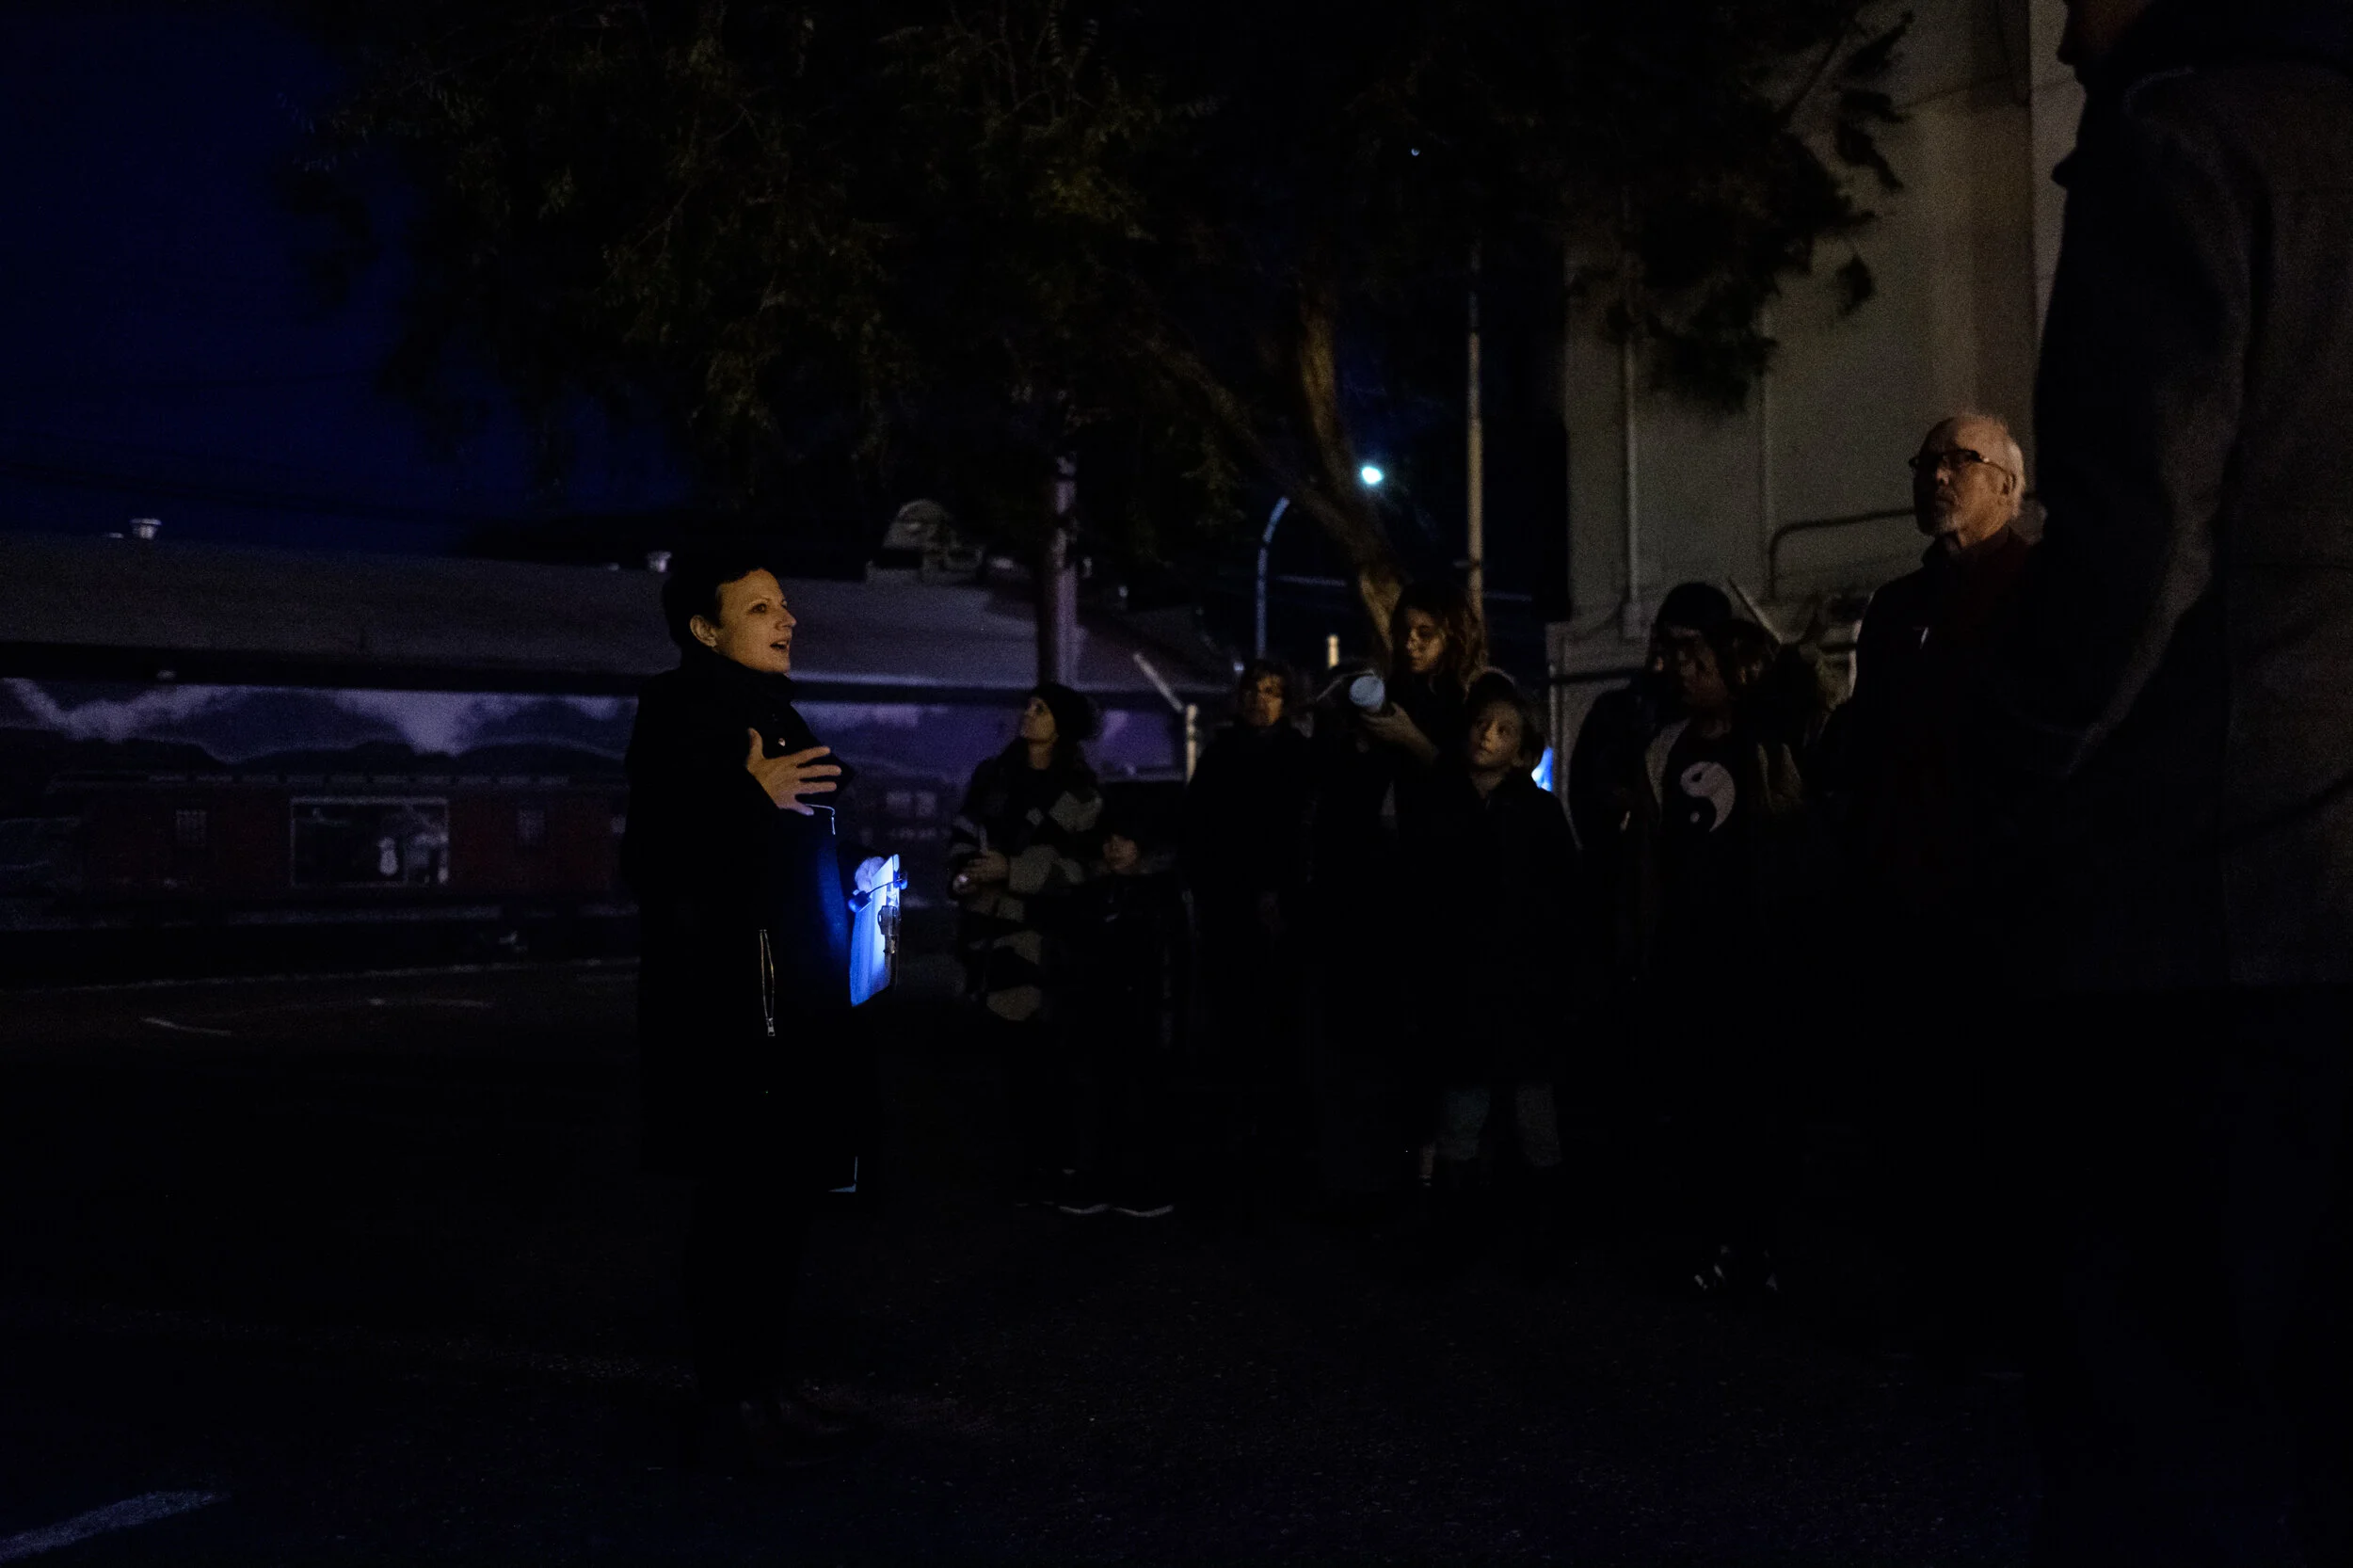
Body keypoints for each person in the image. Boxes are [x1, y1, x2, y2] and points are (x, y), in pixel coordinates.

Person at [1982, 0, 2353, 1558]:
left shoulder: (2187, 147)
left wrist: (2019, 760)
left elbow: (2134, 547)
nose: (2065, 25)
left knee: (2166, 1440)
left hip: (2204, 914)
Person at [621, 549, 890, 1469]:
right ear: (705, 629)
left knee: (781, 1204)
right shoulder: (680, 710)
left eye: (784, 604)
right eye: (760, 608)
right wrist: (748, 794)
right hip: (731, 1014)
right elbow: (651, 861)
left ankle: (765, 1386)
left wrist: (855, 880)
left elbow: (793, 842)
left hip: (797, 1000)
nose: (787, 620)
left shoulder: (773, 711)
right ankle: (730, 1399)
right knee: (738, 1207)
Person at [1826, 413, 2036, 1364]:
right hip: (1900, 896)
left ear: (2008, 487)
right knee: (1911, 1106)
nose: (1939, 476)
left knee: (1994, 1106)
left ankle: (1995, 1305)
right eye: (1928, 461)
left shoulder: (2037, 590)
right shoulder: (1896, 605)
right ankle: (1927, 1295)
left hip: (1995, 898)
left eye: (1961, 461)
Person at [1305, 583, 1486, 1204]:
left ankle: (1431, 1175)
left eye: (1424, 633)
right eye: (1404, 632)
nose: (1410, 644)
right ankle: (1379, 1174)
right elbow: (1341, 797)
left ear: (1451, 636)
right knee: (1371, 1039)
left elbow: (1470, 796)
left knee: (1428, 1040)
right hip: (1370, 893)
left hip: (1434, 897)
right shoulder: (1386, 696)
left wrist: (1413, 743)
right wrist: (1355, 742)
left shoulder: (1465, 704)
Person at [1648, 616, 1808, 1298]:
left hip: (1755, 954)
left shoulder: (1766, 745)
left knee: (1757, 1108)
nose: (1685, 673)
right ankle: (1717, 1241)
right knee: (1702, 1108)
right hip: (1689, 955)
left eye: (1701, 663)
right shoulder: (1667, 747)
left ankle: (1760, 1245)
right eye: (1681, 661)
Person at [1402, 675, 1581, 1279]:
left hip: (1524, 988)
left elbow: (1564, 900)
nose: (1487, 735)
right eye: (1482, 723)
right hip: (1461, 988)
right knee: (1461, 1110)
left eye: (1504, 730)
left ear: (1523, 752)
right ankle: (1456, 1233)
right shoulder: (1440, 806)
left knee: (1534, 1113)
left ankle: (1542, 1236)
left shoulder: (1538, 813)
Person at [946, 684, 1105, 1205]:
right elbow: (963, 831)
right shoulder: (993, 776)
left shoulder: (1078, 793)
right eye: (1029, 705)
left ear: (1062, 725)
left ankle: (1056, 1163)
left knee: (1049, 1055)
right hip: (989, 934)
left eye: (1042, 709)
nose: (1028, 714)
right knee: (1009, 1058)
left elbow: (1083, 868)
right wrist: (963, 875)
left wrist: (1012, 871)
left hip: (1043, 942)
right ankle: (1024, 1165)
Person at [1181, 661, 1312, 1196]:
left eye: (1272, 691)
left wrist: (1280, 890)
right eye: (1254, 690)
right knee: (1230, 1023)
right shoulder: (1221, 754)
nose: (1261, 700)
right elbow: (1197, 826)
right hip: (1227, 906)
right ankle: (1234, 1146)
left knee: (1276, 1024)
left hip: (1282, 909)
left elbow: (1298, 832)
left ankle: (1272, 1145)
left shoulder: (1299, 756)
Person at [1061, 799, 1190, 1219]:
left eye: (1124, 840)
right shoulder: (1102, 892)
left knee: (1139, 1097)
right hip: (1107, 1011)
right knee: (1104, 1097)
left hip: (1143, 1012)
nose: (1114, 847)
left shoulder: (1160, 894)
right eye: (1109, 840)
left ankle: (1144, 1186)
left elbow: (1171, 961)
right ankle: (1109, 1183)